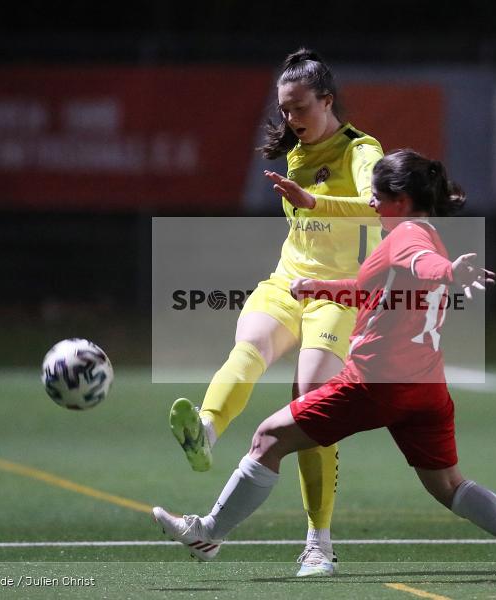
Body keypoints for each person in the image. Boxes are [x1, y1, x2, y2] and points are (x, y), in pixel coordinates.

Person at [153, 150, 496, 583]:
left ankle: (210, 533)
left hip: (373, 384)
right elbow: (377, 287)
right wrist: (322, 288)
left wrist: (448, 273)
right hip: (425, 389)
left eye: (375, 196)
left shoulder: (407, 237)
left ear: (401, 201)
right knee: (448, 486)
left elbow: (420, 263)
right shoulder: (422, 233)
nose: (369, 203)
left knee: (268, 438)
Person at [167, 48, 384, 576]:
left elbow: (380, 203)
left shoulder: (362, 149)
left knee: (310, 400)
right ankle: (206, 431)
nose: (291, 120)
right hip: (287, 282)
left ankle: (319, 543)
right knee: (250, 346)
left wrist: (314, 203)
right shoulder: (294, 153)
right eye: (284, 110)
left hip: (337, 293)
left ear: (327, 100)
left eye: (300, 108)